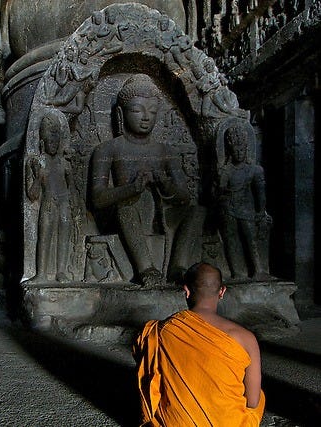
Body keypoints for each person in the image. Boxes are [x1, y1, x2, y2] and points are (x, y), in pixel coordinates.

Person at [133, 262, 265, 426]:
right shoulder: (246, 338)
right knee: (259, 397)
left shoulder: (162, 331)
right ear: (222, 292)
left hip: (177, 422)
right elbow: (252, 401)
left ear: (186, 291)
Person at [90, 74, 189, 288]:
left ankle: (178, 267)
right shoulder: (109, 149)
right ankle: (146, 269)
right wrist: (130, 189)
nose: (145, 117)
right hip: (125, 213)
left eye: (152, 112)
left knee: (197, 212)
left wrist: (164, 183)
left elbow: (184, 196)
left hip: (160, 213)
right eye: (137, 110)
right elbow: (97, 198)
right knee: (126, 208)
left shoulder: (165, 152)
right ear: (121, 114)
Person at [218, 125, 271, 281]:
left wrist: (261, 211)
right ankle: (237, 272)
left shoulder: (255, 170)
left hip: (247, 209)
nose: (239, 153)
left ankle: (259, 269)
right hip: (229, 209)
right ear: (230, 151)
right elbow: (219, 192)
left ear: (247, 149)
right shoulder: (227, 171)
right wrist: (220, 187)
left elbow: (261, 193)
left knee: (251, 238)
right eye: (236, 150)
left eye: (242, 150)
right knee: (231, 240)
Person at [25, 112, 72, 283]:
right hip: (48, 204)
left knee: (64, 237)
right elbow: (31, 195)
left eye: (56, 141)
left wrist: (71, 173)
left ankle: (61, 272)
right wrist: (38, 178)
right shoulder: (36, 162)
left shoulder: (64, 163)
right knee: (44, 237)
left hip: (64, 204)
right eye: (50, 141)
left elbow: (72, 188)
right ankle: (41, 274)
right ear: (42, 143)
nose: (54, 145)